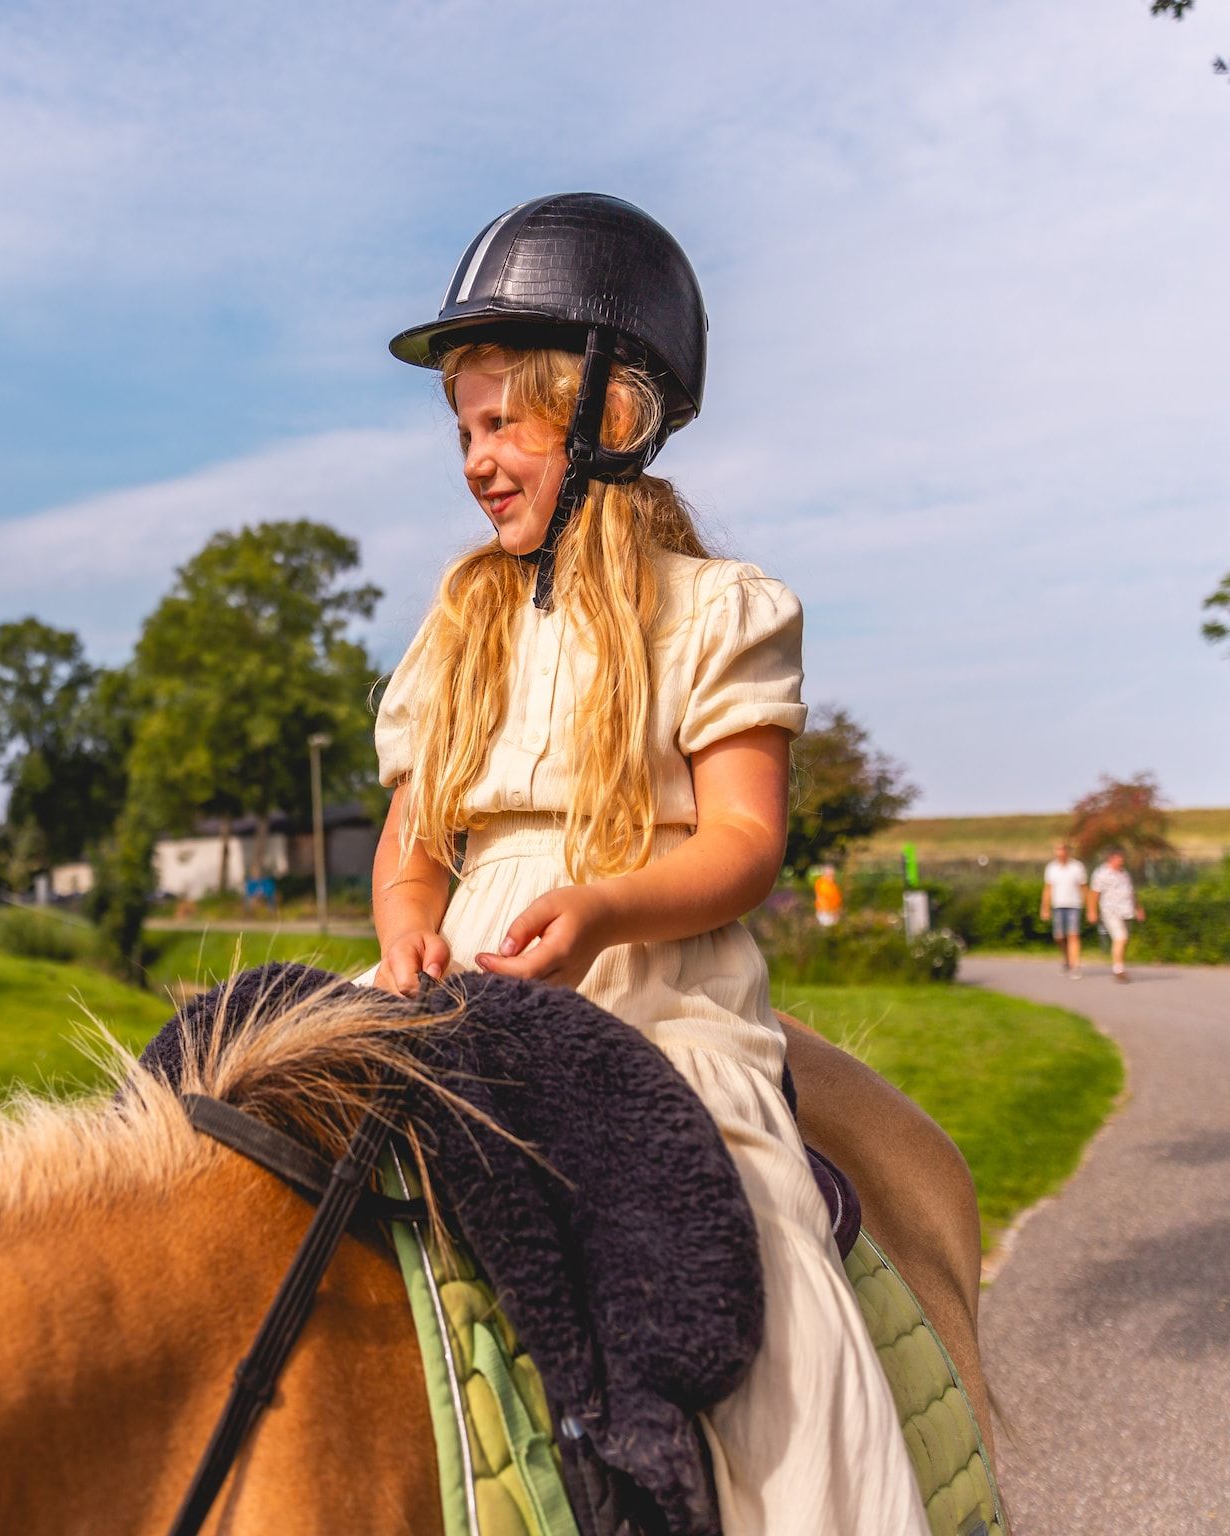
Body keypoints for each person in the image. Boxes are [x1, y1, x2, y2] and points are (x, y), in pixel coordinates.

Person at [360, 194, 927, 1535]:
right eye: (462, 434)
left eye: (503, 424)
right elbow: (409, 847)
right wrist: (403, 935)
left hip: (655, 988)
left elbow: (740, 845)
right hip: (467, 986)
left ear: (612, 411)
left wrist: (607, 905)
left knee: (749, 1255)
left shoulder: (716, 612)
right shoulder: (457, 635)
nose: (476, 462)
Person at [1088, 848, 1143, 982]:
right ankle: (1118, 970)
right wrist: (1092, 911)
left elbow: (1131, 892)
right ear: (1111, 859)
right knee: (1121, 938)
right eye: (1119, 858)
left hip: (1126, 911)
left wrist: (1138, 908)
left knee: (1123, 940)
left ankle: (1119, 965)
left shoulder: (1124, 874)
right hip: (1110, 911)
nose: (1121, 861)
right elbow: (1094, 893)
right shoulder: (1101, 873)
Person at [1041, 839, 1089, 978]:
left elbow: (1083, 887)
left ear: (1067, 851)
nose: (1059, 852)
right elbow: (1048, 889)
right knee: (1059, 937)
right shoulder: (1051, 868)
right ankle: (1066, 958)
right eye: (1057, 849)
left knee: (1073, 935)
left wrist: (1089, 906)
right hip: (1058, 905)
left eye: (1062, 849)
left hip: (1074, 905)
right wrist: (1044, 907)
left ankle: (1075, 965)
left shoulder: (1077, 867)